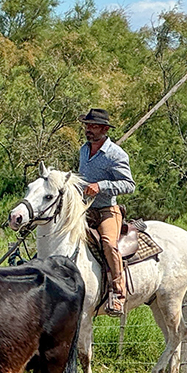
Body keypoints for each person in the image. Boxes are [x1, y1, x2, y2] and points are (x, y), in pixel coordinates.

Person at [77, 107, 136, 315]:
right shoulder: (84, 150)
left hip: (106, 210)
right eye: (87, 125)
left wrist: (101, 186)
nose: (88, 130)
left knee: (109, 244)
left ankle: (118, 293)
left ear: (104, 129)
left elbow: (129, 185)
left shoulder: (115, 154)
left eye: (93, 126)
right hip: (83, 208)